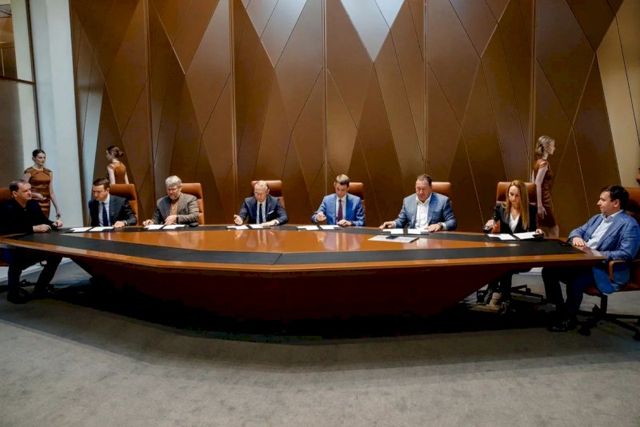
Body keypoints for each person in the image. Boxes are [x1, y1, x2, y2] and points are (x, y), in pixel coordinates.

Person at [542, 185, 640, 332]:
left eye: (603, 200)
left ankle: (569, 318)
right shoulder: (598, 218)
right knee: (549, 271)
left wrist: (596, 254)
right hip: (583, 261)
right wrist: (576, 237)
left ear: (616, 203)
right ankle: (560, 309)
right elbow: (577, 230)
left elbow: (627, 253)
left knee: (576, 280)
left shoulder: (629, 225)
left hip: (604, 268)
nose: (598, 203)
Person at [481, 180, 543, 311]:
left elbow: (533, 234)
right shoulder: (501, 208)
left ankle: (495, 292)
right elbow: (488, 229)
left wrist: (538, 232)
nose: (513, 198)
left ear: (523, 196)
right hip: (503, 251)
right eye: (511, 194)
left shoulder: (530, 210)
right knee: (501, 263)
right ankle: (502, 296)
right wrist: (490, 226)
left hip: (522, 253)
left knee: (504, 266)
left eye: (517, 195)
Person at [0, 180, 63, 303]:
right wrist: (32, 228)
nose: (30, 193)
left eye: (30, 190)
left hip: (31, 245)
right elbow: (5, 228)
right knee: (17, 260)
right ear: (15, 193)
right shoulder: (5, 208)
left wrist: (54, 224)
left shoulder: (32, 204)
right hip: (9, 247)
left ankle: (40, 289)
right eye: (25, 191)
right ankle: (13, 294)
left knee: (55, 255)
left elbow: (43, 220)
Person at [379, 174, 456, 231]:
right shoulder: (408, 201)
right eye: (418, 189)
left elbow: (452, 222)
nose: (421, 192)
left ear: (430, 188)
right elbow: (401, 221)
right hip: (412, 238)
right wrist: (393, 224)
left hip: (432, 237)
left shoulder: (443, 201)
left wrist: (440, 225)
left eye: (424, 189)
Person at [23, 149, 61, 220]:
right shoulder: (29, 172)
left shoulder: (49, 172)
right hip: (33, 202)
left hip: (46, 203)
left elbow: (51, 192)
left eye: (44, 157)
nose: (43, 160)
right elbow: (23, 190)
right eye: (40, 158)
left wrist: (57, 208)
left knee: (45, 223)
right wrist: (35, 195)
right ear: (34, 158)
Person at [533, 135, 559, 238]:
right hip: (544, 199)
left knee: (545, 228)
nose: (554, 148)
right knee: (553, 229)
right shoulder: (544, 163)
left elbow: (533, 182)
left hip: (541, 199)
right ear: (547, 147)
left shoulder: (537, 162)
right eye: (553, 145)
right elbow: (537, 183)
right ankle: (554, 248)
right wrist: (539, 205)